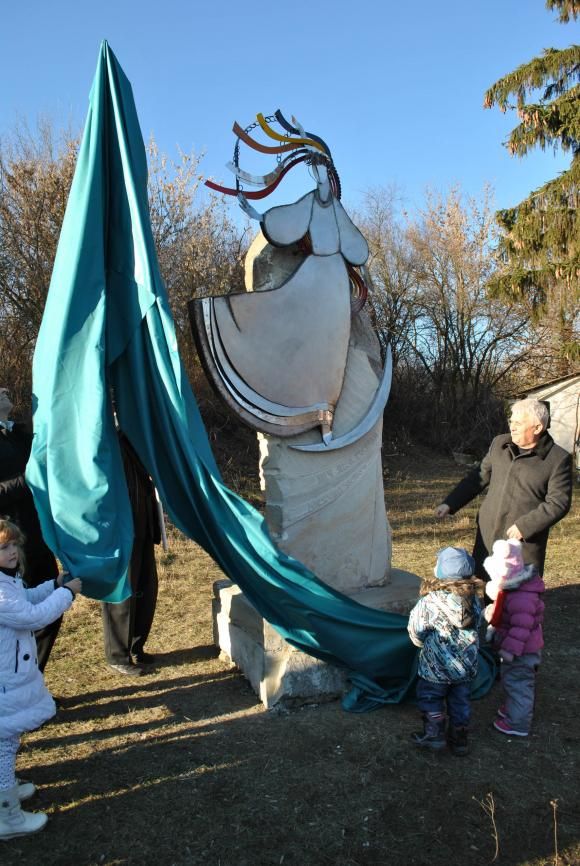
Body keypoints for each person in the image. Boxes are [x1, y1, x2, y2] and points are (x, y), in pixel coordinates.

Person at [0, 518, 82, 839]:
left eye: (13, 545)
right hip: (5, 683)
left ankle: (6, 787)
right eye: (3, 548)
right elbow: (33, 616)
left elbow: (28, 599)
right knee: (4, 745)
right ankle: (9, 818)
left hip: (10, 677)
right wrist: (67, 595)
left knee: (9, 739)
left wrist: (53, 584)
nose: (12, 553)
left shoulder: (8, 581)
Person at [435, 399, 572, 578]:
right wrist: (450, 503)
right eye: (511, 421)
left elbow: (558, 503)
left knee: (518, 595)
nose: (512, 427)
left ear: (537, 428)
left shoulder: (558, 459)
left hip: (522, 540)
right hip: (488, 532)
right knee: (485, 587)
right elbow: (478, 477)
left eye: (518, 423)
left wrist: (525, 526)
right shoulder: (499, 444)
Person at [0, 388, 60, 670]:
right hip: (9, 542)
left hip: (37, 533)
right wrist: (29, 480)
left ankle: (32, 680)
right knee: (21, 616)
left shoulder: (17, 433)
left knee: (50, 606)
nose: (4, 390)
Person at [407, 547, 484, 756]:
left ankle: (434, 735)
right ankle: (460, 739)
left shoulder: (430, 602)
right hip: (465, 669)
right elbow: (478, 627)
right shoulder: (476, 601)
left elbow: (416, 629)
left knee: (431, 698)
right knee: (460, 702)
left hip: (435, 669)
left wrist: (421, 644)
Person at [101, 432, 161, 677]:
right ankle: (118, 655)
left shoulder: (134, 433)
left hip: (144, 522)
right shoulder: (104, 438)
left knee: (146, 588)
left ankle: (136, 645)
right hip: (122, 529)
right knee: (121, 593)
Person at [483, 539, 545, 738]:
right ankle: (516, 707)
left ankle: (517, 722)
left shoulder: (521, 598)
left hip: (521, 651)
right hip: (520, 649)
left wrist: (509, 650)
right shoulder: (515, 590)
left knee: (519, 683)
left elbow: (521, 627)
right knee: (514, 680)